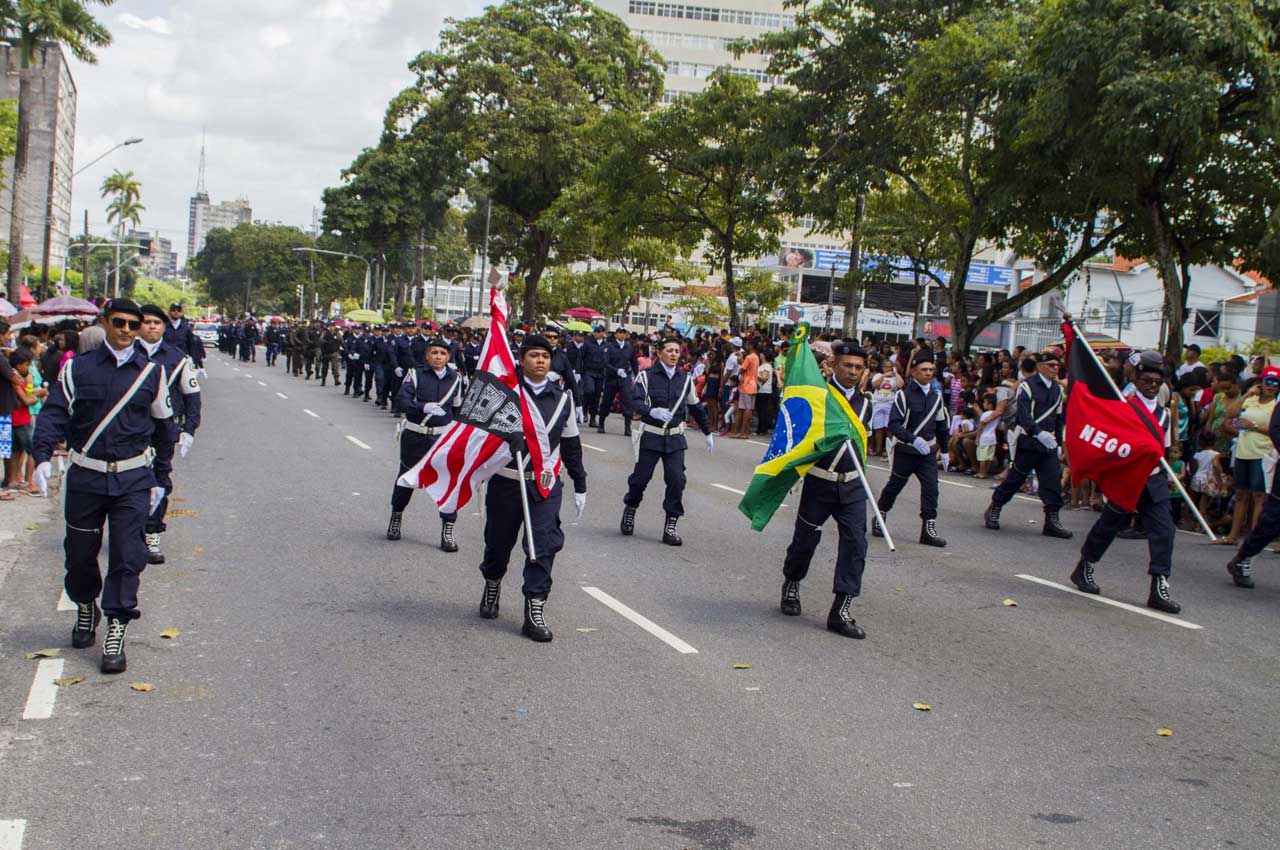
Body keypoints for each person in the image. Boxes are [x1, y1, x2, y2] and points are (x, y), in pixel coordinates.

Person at [32, 300, 175, 674]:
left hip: (132, 479)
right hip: (86, 476)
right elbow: (53, 414)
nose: (127, 329)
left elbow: (164, 429)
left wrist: (162, 476)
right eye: (119, 322)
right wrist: (42, 456)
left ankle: (116, 626)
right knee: (80, 555)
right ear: (105, 323)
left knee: (128, 557)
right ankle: (85, 605)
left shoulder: (152, 374)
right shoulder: (77, 369)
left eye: (134, 324)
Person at [477, 334, 588, 643]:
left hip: (544, 484)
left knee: (543, 543)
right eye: (534, 355)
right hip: (507, 481)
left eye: (545, 356)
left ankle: (535, 607)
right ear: (521, 360)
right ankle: (493, 582)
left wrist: (580, 483)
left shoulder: (562, 398)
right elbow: (478, 435)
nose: (541, 361)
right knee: (498, 543)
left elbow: (571, 444)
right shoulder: (506, 394)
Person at [1070, 352, 1182, 613]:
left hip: (1153, 479)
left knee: (1165, 530)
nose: (1152, 386)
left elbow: (1163, 450)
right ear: (1136, 379)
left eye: (1157, 381)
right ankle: (1085, 566)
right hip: (1127, 478)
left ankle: (1159, 585)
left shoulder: (1165, 415)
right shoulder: (1125, 406)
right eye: (1146, 381)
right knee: (1109, 524)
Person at [779, 342, 876, 639]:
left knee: (856, 544)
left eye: (859, 368)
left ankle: (841, 609)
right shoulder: (819, 395)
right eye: (848, 365)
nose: (853, 372)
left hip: (852, 484)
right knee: (805, 540)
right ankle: (792, 582)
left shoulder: (865, 404)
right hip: (820, 481)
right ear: (833, 364)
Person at [620, 337, 713, 545]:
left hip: (675, 439)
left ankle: (671, 524)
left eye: (677, 351)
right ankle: (631, 508)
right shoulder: (646, 376)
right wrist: (651, 410)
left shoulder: (685, 379)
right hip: (651, 435)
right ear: (659, 353)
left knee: (677, 480)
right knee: (640, 479)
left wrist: (708, 432)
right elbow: (633, 401)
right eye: (669, 350)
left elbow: (696, 406)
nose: (673, 354)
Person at [137, 304, 202, 565]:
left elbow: (192, 396)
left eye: (157, 322)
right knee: (131, 480)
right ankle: (131, 530)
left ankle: (152, 532)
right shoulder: (128, 355)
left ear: (164, 326)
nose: (152, 326)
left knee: (160, 479)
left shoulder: (177, 358)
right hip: (131, 429)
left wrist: (189, 430)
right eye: (147, 322)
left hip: (163, 429)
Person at [387, 337, 464, 550]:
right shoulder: (415, 375)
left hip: (442, 438)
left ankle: (448, 528)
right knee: (406, 478)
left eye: (443, 353)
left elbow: (457, 410)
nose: (438, 357)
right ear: (427, 355)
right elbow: (402, 401)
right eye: (434, 352)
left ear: (448, 357)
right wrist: (423, 407)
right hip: (416, 434)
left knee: (449, 482)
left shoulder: (455, 379)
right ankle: (396, 515)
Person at [984, 352, 1073, 538]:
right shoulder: (1028, 386)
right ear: (1040, 366)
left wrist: (1056, 442)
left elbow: (1058, 417)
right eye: (1050, 365)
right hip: (1029, 441)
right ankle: (995, 507)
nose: (1055, 368)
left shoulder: (1057, 390)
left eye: (1057, 365)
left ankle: (1051, 520)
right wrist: (1038, 432)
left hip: (1048, 443)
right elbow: (1023, 415)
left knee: (1052, 483)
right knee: (1015, 479)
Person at [874, 351, 949, 547]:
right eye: (924, 370)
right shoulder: (903, 396)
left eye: (931, 370)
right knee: (895, 486)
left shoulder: (937, 396)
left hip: (928, 453)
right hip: (907, 451)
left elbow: (941, 424)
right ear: (914, 372)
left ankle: (928, 528)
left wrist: (946, 450)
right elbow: (895, 424)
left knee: (931, 489)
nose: (928, 373)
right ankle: (880, 514)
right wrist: (913, 439)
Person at [597, 326, 637, 435]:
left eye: (624, 333)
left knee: (627, 401)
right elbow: (605, 363)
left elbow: (634, 364)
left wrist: (637, 377)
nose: (622, 335)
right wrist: (615, 370)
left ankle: (627, 427)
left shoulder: (629, 348)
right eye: (619, 333)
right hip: (612, 378)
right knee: (606, 401)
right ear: (615, 335)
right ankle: (601, 423)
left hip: (624, 378)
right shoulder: (609, 347)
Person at [163, 303, 205, 371]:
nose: (176, 312)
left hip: (182, 360)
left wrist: (193, 360)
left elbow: (191, 345)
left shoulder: (186, 327)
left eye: (178, 310)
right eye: (174, 310)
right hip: (166, 359)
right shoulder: (164, 326)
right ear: (170, 312)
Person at [318, 323, 344, 387]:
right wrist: (326, 342)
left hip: (334, 352)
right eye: (330, 326)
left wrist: (345, 349)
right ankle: (323, 380)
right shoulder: (325, 333)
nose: (331, 328)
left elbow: (341, 341)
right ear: (328, 327)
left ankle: (336, 380)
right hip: (326, 353)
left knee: (335, 367)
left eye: (333, 326)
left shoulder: (337, 333)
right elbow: (321, 341)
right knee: (325, 367)